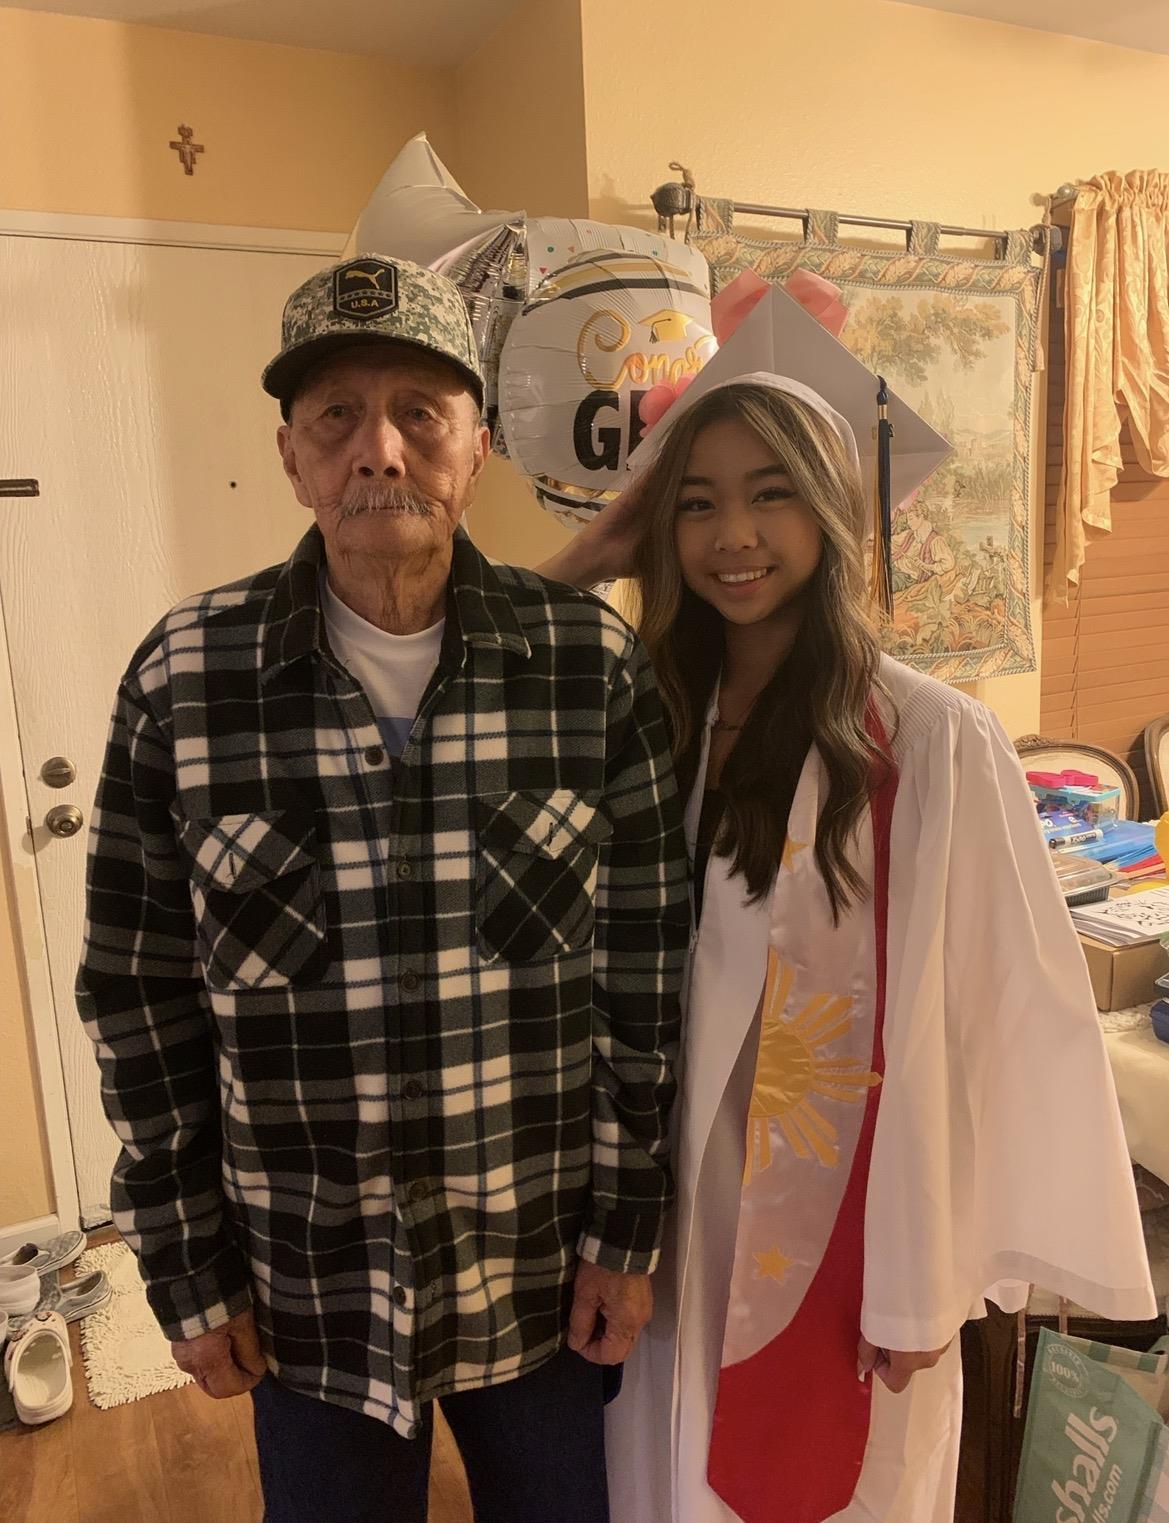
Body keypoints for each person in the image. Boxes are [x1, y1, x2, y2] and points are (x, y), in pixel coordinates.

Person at [76, 254, 690, 1523]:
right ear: (291, 456)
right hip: (307, 1289)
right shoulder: (185, 679)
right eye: (337, 416)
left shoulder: (588, 670)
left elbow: (644, 983)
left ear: (476, 447)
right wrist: (185, 1265)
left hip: (537, 1273)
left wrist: (625, 1236)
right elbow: (138, 996)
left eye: (420, 411)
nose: (380, 450)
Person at [539, 371, 1155, 1523]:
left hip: (839, 1215)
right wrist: (590, 550)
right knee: (660, 1475)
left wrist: (926, 1275)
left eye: (769, 493)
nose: (733, 535)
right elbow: (474, 688)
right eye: (695, 502)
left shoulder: (928, 739)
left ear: (830, 508)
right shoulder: (643, 712)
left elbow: (992, 1018)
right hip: (657, 1200)